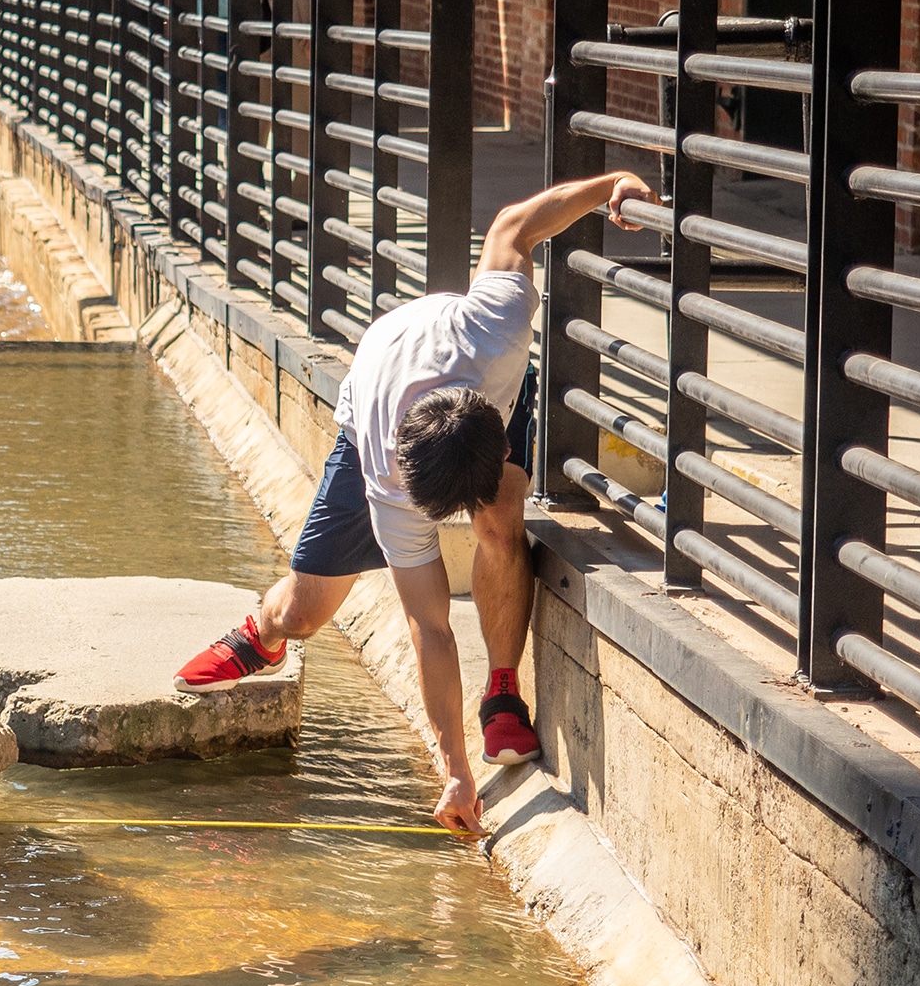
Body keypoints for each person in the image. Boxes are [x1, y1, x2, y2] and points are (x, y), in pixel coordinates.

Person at [173, 170, 658, 835]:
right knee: (307, 611)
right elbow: (429, 628)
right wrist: (453, 771)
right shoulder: (386, 479)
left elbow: (517, 223)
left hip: (470, 399)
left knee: (501, 519)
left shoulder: (497, 326)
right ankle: (263, 633)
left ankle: (503, 692)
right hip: (380, 405)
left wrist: (611, 184)